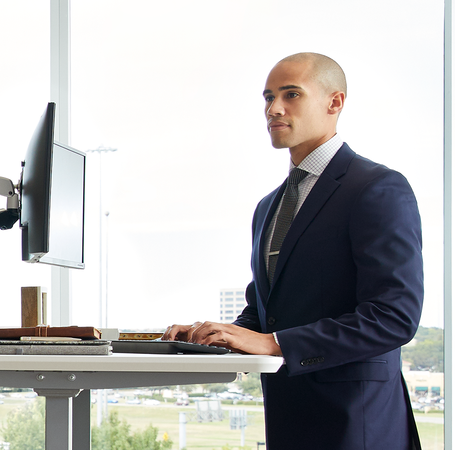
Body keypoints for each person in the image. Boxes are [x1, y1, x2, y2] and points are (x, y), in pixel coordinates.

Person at [161, 52, 423, 449]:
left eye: (292, 94)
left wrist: (274, 342)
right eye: (267, 97)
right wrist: (213, 336)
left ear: (334, 102)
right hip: (288, 418)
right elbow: (268, 311)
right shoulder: (269, 206)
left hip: (356, 423)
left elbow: (394, 317)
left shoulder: (377, 188)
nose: (273, 109)